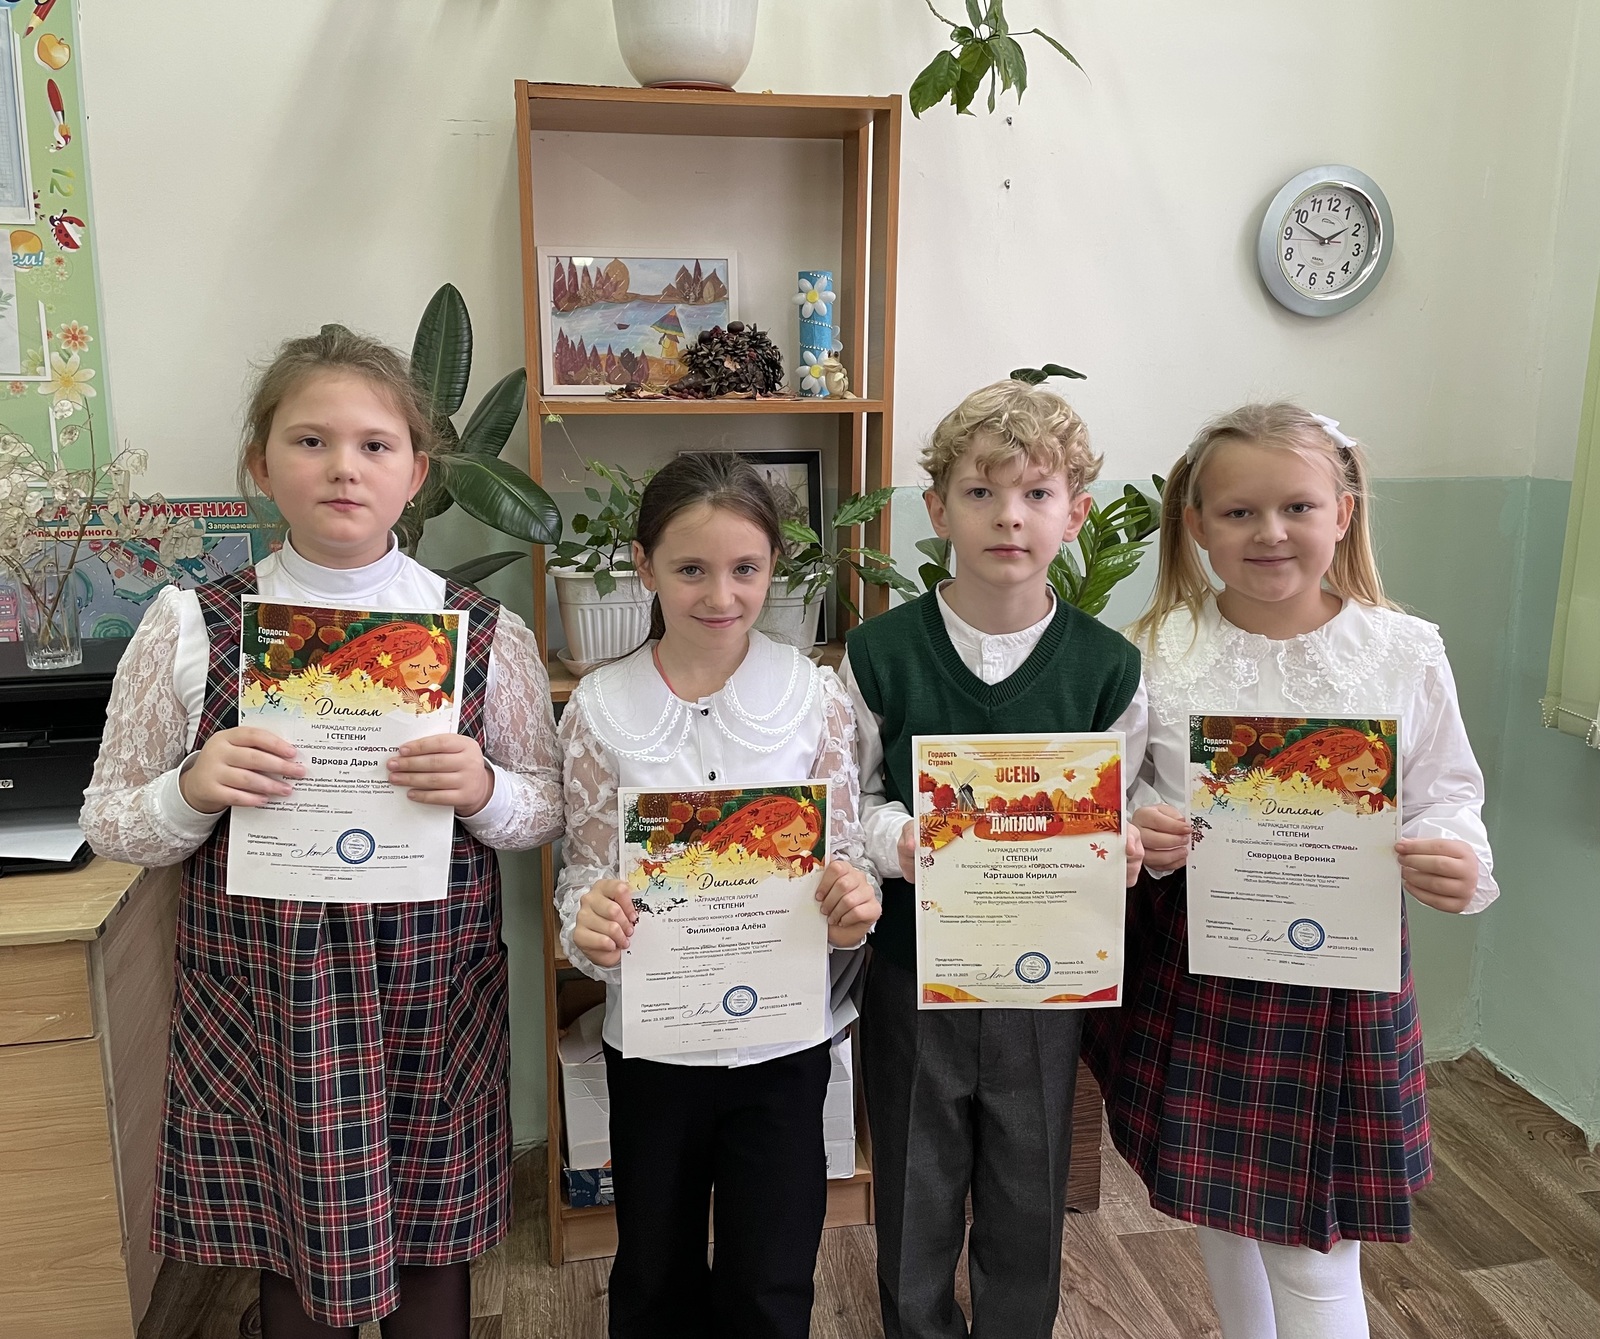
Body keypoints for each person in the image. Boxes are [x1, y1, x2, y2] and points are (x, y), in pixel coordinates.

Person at [79, 325, 563, 1339]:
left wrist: (483, 789)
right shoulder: (193, 625)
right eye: (310, 440)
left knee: (432, 1242)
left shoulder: (482, 631)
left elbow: (542, 809)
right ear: (261, 464)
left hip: (431, 991)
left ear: (416, 472)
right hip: (272, 999)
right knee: (296, 1251)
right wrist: (194, 787)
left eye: (375, 444)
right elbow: (110, 818)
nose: (345, 466)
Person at [1088, 404, 1498, 1339]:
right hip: (1198, 957)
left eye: (1298, 507)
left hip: (1339, 974)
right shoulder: (1155, 648)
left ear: (1343, 513)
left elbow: (1446, 791)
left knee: (1316, 1245)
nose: (1269, 532)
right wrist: (1140, 828)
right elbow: (1117, 788)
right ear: (1197, 524)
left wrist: (1457, 855)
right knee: (1220, 1208)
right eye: (1239, 512)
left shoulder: (1403, 649)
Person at [841, 379, 1148, 1339]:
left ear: (1075, 514)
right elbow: (850, 802)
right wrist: (901, 840)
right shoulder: (880, 653)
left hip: (1045, 980)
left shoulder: (1107, 667)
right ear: (938, 511)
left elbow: (1123, 807)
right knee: (914, 1180)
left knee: (1030, 1179)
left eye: (1036, 494)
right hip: (914, 967)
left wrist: (1122, 847)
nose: (1009, 516)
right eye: (980, 492)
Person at [556, 451, 882, 1339]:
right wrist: (591, 922)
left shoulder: (814, 698)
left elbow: (843, 857)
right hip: (654, 1045)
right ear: (643, 566)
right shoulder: (599, 707)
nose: (721, 594)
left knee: (770, 1274)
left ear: (774, 567)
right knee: (652, 1270)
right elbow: (583, 873)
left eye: (745, 568)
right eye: (691, 569)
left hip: (782, 1042)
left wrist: (852, 904)